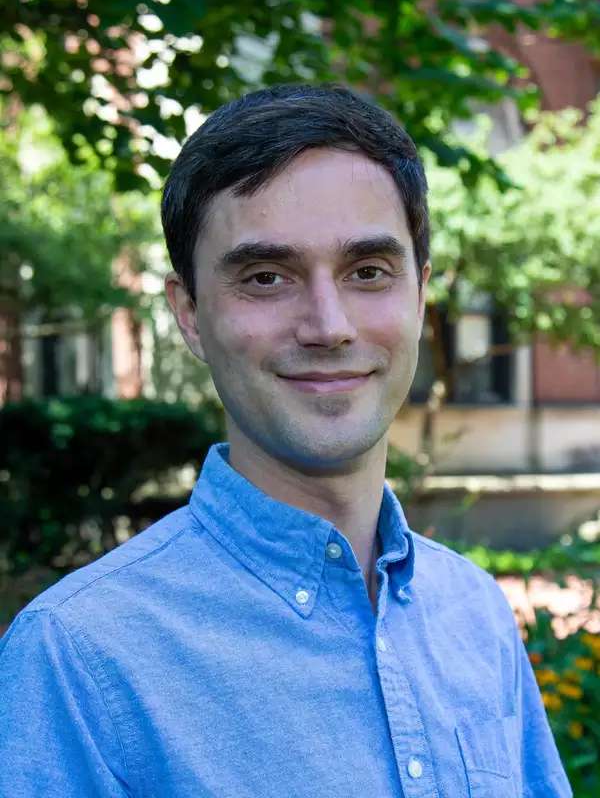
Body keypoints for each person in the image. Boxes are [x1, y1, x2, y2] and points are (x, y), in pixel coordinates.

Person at [0, 84, 571, 798]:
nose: (329, 325)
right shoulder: (78, 660)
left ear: (420, 294)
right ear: (189, 314)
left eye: (368, 272)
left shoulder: (474, 612)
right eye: (267, 277)